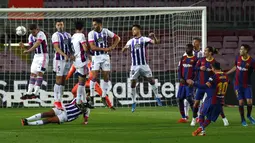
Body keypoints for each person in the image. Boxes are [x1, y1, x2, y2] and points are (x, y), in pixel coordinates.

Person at [122, 24, 161, 112]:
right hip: (134, 66)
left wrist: (154, 36)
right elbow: (123, 50)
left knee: (151, 80)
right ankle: (133, 102)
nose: (133, 31)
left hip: (144, 65)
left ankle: (157, 96)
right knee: (132, 83)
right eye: (132, 30)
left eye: (134, 29)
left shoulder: (144, 39)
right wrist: (125, 48)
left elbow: (156, 42)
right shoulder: (130, 41)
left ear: (139, 30)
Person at [187, 62, 229, 136]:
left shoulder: (214, 77)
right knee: (209, 118)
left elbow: (204, 87)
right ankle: (201, 129)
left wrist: (193, 83)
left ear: (213, 68)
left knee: (201, 113)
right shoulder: (226, 76)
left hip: (212, 99)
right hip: (221, 101)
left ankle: (202, 130)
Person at [190, 46, 229, 126]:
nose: (204, 52)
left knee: (216, 103)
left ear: (210, 52)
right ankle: (194, 119)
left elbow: (219, 73)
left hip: (210, 86)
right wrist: (200, 68)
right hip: (201, 85)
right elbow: (194, 68)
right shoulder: (201, 60)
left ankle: (224, 119)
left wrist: (212, 71)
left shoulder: (215, 63)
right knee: (196, 103)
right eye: (204, 51)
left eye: (206, 51)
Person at [88, 18, 120, 105]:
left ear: (100, 24)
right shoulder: (91, 33)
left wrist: (113, 46)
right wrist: (105, 48)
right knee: (94, 76)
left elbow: (118, 38)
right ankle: (91, 97)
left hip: (105, 57)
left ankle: (103, 96)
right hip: (96, 57)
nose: (93, 26)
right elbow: (92, 47)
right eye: (93, 24)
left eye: (95, 24)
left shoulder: (106, 31)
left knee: (106, 76)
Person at [226, 44, 255, 126]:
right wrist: (227, 73)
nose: (240, 51)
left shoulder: (251, 61)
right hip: (237, 84)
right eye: (240, 49)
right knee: (241, 102)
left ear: (246, 51)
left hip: (247, 85)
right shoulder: (238, 58)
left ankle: (249, 116)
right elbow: (236, 67)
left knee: (249, 102)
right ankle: (243, 120)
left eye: (242, 49)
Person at [20, 24, 49, 100]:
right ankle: (29, 93)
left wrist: (29, 50)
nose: (33, 33)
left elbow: (37, 44)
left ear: (37, 29)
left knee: (39, 73)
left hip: (43, 56)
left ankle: (35, 93)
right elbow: (30, 46)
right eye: (32, 32)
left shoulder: (41, 34)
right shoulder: (30, 36)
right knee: (33, 74)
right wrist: (24, 47)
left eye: (34, 32)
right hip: (36, 56)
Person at [21, 98, 91, 126]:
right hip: (62, 108)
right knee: (48, 113)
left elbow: (86, 118)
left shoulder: (87, 109)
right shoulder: (77, 99)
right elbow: (71, 104)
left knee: (49, 120)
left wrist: (85, 122)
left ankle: (28, 123)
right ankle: (27, 119)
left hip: (67, 116)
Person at [52, 19, 72, 109]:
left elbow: (71, 47)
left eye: (61, 24)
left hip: (67, 60)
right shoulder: (55, 35)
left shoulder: (68, 35)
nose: (60, 26)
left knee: (64, 79)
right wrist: (64, 55)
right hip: (59, 60)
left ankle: (60, 99)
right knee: (59, 78)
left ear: (63, 25)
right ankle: (56, 101)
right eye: (58, 25)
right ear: (56, 26)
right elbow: (56, 47)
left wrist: (72, 55)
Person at [183, 37, 203, 119]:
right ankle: (186, 116)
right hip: (190, 78)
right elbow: (182, 64)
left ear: (199, 43)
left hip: (199, 78)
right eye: (193, 42)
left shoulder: (202, 53)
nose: (194, 44)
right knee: (187, 98)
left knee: (199, 98)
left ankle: (199, 116)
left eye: (195, 42)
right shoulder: (187, 53)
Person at [177, 44, 197, 122]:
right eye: (186, 48)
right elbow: (179, 69)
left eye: (188, 48)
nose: (186, 49)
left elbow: (197, 72)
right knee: (179, 99)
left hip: (190, 83)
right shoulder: (183, 58)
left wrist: (193, 81)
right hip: (182, 83)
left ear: (192, 49)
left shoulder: (195, 59)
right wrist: (180, 78)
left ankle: (196, 116)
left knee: (189, 98)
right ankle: (184, 117)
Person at [71, 21, 88, 105]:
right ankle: (78, 100)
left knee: (82, 81)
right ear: (82, 28)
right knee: (82, 82)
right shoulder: (81, 35)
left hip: (75, 61)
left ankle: (84, 100)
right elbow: (85, 48)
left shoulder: (73, 36)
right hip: (82, 61)